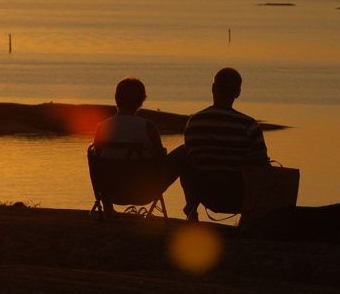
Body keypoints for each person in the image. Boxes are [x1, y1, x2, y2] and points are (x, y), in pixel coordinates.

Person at [181, 67, 269, 220]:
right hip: (238, 196)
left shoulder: (195, 122)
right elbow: (262, 162)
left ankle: (192, 209)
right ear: (238, 92)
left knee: (184, 155)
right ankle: (252, 220)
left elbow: (192, 160)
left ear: (213, 88)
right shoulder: (249, 125)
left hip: (205, 192)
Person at [91, 77, 185, 216]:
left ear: (116, 98)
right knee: (184, 151)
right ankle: (191, 210)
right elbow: (160, 161)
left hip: (111, 192)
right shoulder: (148, 127)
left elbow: (97, 165)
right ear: (141, 101)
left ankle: (107, 207)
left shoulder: (101, 128)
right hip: (144, 193)